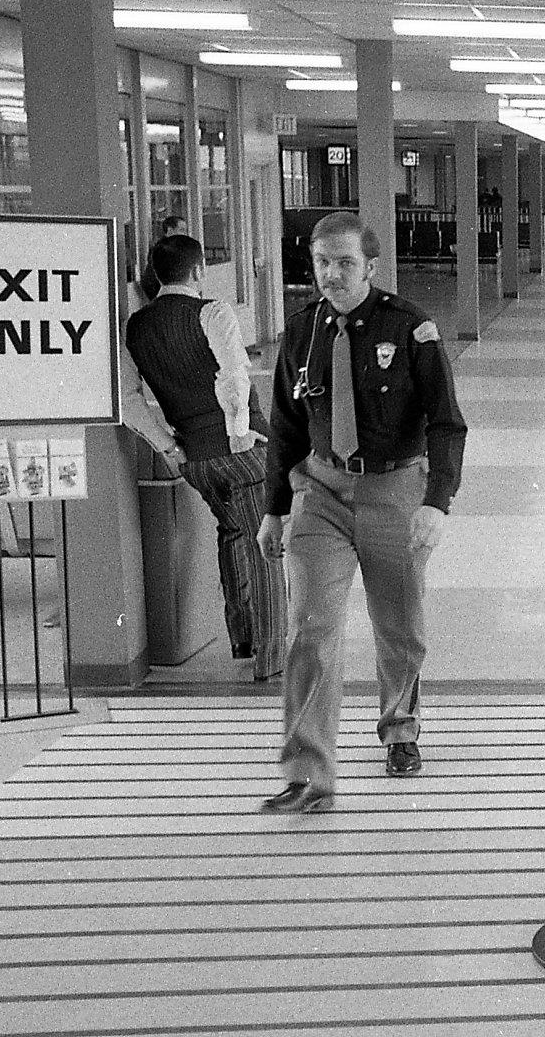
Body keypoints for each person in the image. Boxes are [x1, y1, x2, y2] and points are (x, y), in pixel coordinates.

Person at [256, 212, 469, 814]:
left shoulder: (410, 328)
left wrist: (436, 502)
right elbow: (286, 425)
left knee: (398, 623)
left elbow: (447, 422)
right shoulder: (302, 332)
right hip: (321, 494)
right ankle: (308, 772)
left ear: (371, 268)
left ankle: (401, 727)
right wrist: (275, 508)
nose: (332, 275)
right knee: (311, 628)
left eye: (346, 263)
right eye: (322, 263)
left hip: (395, 490)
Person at [121, 234, 282, 680]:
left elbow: (128, 398)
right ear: (198, 271)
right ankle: (272, 658)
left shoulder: (135, 327)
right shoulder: (212, 311)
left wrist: (167, 447)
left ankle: (243, 638)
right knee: (264, 544)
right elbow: (233, 373)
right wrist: (238, 434)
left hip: (191, 457)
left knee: (232, 534)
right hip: (238, 450)